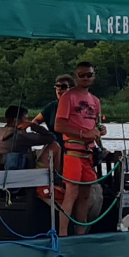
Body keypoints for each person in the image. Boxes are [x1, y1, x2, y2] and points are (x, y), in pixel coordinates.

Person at [53, 63, 105, 235]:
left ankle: (80, 234)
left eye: (89, 75)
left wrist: (100, 131)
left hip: (88, 154)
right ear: (76, 76)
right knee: (71, 194)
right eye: (82, 75)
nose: (85, 78)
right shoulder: (68, 97)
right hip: (73, 151)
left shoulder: (96, 101)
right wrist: (83, 134)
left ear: (94, 76)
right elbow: (59, 125)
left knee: (85, 195)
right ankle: (62, 234)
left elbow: (96, 125)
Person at [0, 104, 46, 171]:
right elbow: (51, 138)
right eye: (26, 119)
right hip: (23, 175)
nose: (28, 121)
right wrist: (33, 125)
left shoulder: (2, 134)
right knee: (54, 145)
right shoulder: (22, 137)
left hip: (2, 174)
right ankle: (55, 177)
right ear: (16, 121)